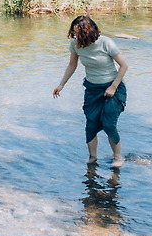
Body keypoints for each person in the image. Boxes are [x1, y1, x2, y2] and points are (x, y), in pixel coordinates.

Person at [54, 14, 128, 168]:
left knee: (109, 123)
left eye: (79, 34)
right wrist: (61, 85)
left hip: (113, 87)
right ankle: (93, 158)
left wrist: (113, 87)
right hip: (92, 89)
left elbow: (124, 66)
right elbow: (72, 65)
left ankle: (118, 157)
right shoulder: (75, 44)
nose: (76, 37)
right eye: (74, 33)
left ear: (89, 32)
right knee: (91, 124)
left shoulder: (106, 43)